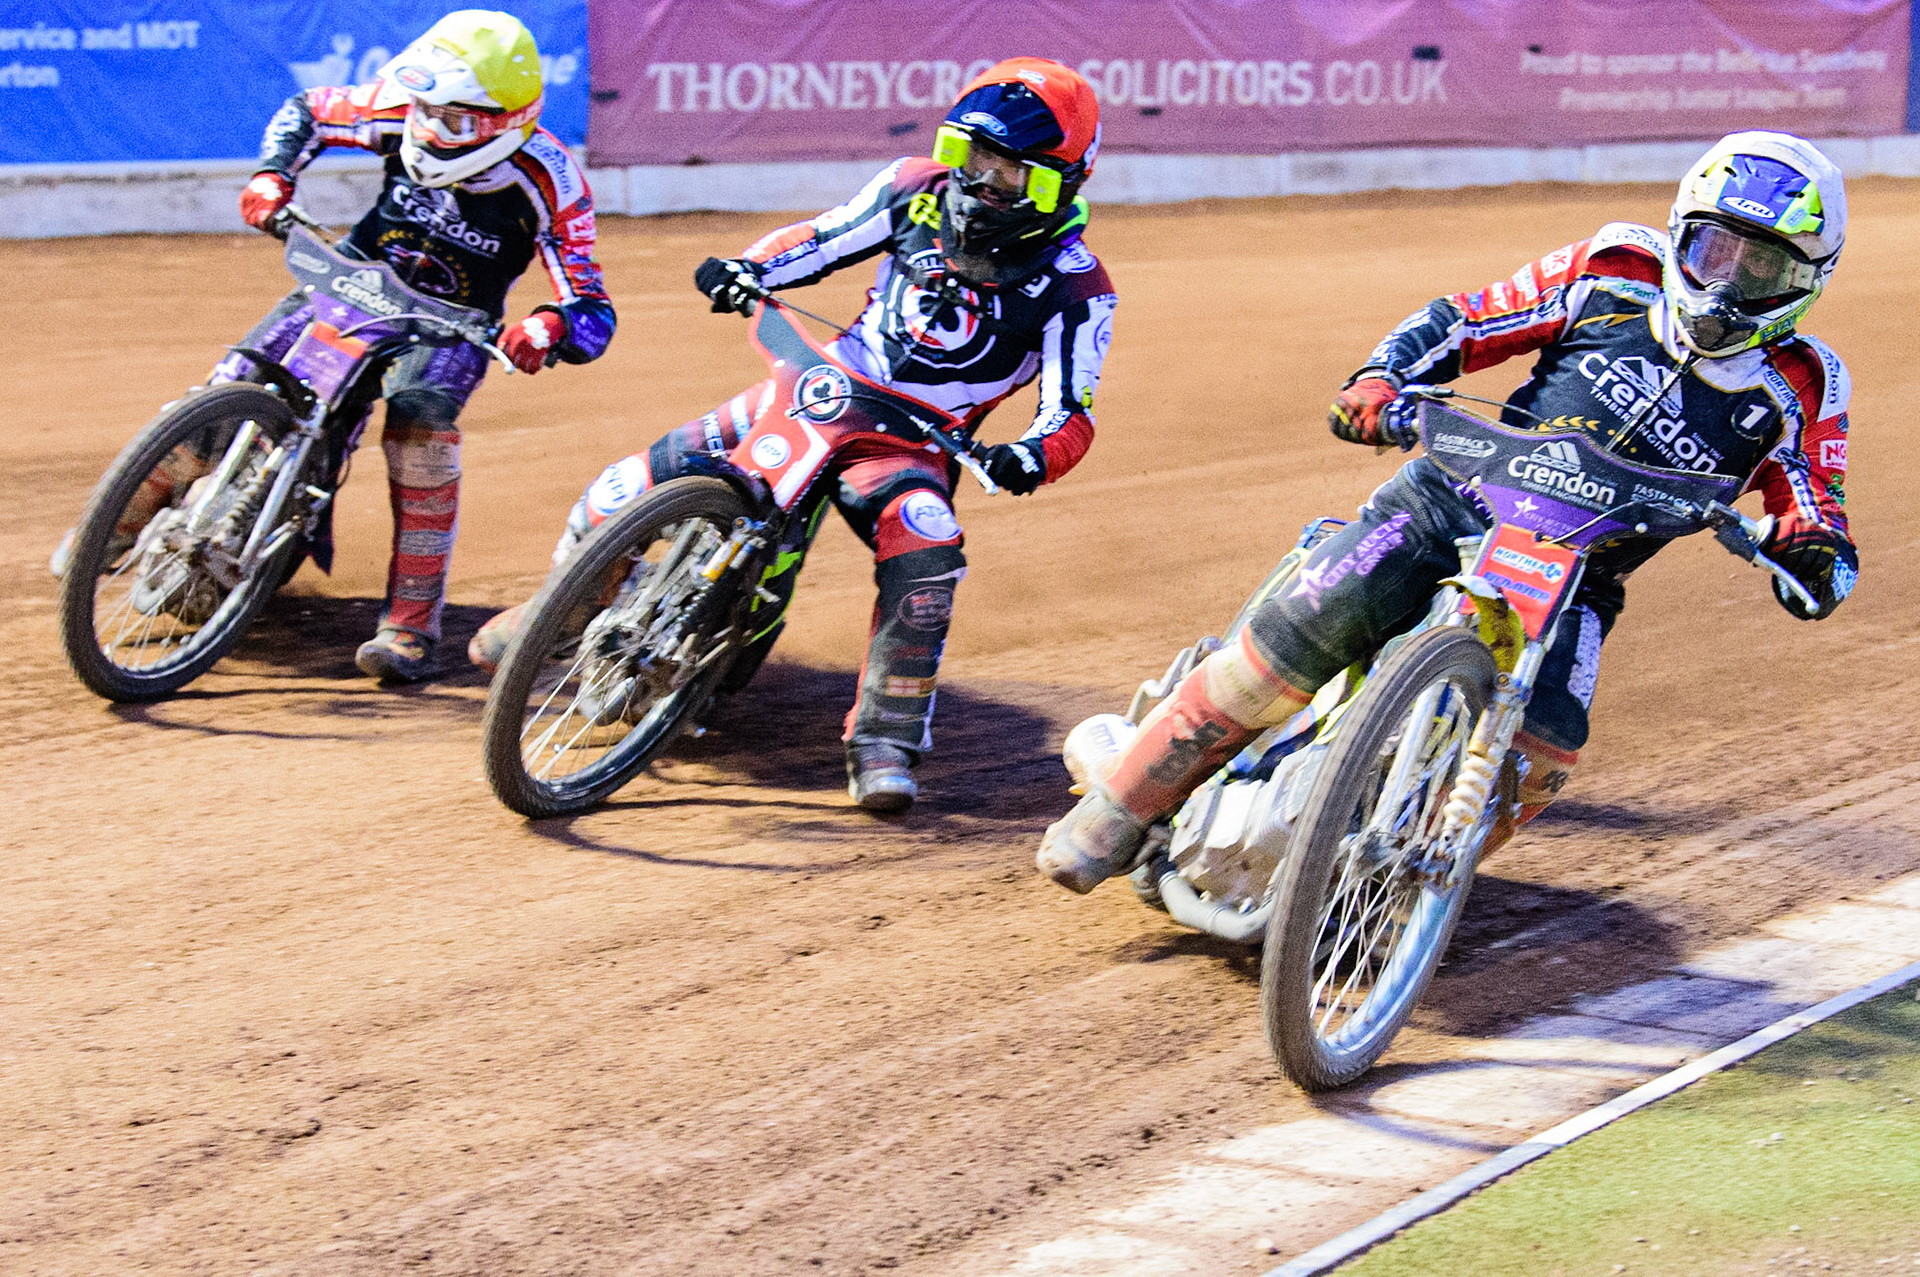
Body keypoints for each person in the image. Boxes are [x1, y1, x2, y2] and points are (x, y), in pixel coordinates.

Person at [1036, 130, 1856, 892]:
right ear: (1679, 234)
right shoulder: (1614, 268)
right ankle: (1118, 808)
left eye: (1761, 267)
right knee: (1300, 632)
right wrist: (1381, 379)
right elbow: (1468, 319)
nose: (1727, 283)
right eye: (1715, 250)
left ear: (1807, 282)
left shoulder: (1805, 385)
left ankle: (1401, 891)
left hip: (1581, 579)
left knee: (1546, 751)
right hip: (1452, 499)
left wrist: (1815, 549)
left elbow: (1820, 503)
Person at [468, 57, 1118, 814]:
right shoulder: (914, 188)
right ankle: (558, 610)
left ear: (1062, 183)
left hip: (909, 443)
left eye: (1011, 173)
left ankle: (885, 737)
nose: (981, 183)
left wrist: (1030, 456)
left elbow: (1070, 412)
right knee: (621, 486)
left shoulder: (1078, 286)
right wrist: (748, 268)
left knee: (928, 540)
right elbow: (822, 239)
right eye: (971, 157)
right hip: (819, 383)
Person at [56, 9, 616, 683]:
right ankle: (116, 524)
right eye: (425, 110)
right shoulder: (397, 112)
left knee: (419, 433)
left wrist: (548, 328)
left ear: (507, 122)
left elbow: (592, 310)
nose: (430, 130)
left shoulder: (550, 181)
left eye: (455, 121)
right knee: (232, 384)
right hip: (350, 278)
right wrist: (272, 175)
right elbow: (308, 112)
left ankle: (410, 623)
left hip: (451, 321)